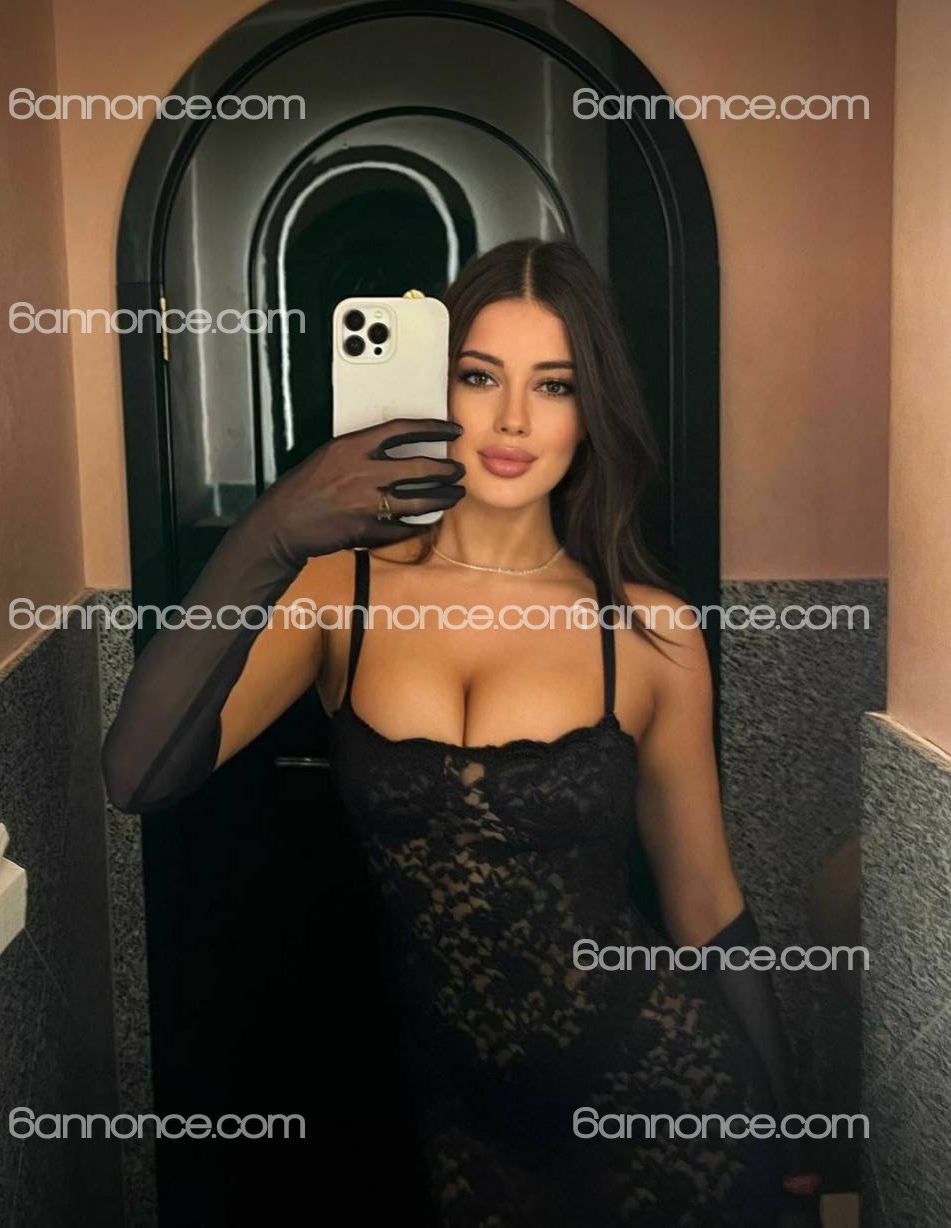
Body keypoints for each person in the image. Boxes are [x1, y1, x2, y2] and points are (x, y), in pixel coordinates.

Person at [102, 239, 822, 1226]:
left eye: (554, 384)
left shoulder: (649, 632)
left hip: (667, 1100)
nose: (513, 418)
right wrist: (269, 532)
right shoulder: (338, 591)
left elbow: (704, 901)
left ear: (591, 412)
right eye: (479, 376)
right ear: (431, 388)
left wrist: (793, 1144)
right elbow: (138, 773)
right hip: (471, 1130)